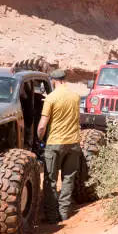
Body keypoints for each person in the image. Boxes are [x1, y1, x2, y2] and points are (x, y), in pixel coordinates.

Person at [37, 69, 81, 223]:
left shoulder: (51, 98)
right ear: (64, 79)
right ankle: (63, 213)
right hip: (74, 143)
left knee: (50, 179)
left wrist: (39, 139)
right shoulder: (75, 96)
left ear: (53, 80)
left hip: (55, 143)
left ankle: (51, 216)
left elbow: (42, 126)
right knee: (68, 178)